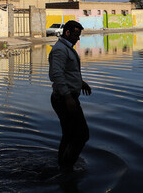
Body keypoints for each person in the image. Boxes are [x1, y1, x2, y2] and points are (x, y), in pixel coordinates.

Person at [48, 19, 91, 173]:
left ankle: (62, 165)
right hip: (64, 99)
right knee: (82, 134)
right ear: (67, 33)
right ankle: (67, 167)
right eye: (76, 35)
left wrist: (81, 83)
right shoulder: (60, 49)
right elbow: (57, 74)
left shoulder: (66, 48)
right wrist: (67, 97)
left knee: (68, 134)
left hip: (67, 96)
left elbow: (68, 72)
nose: (78, 38)